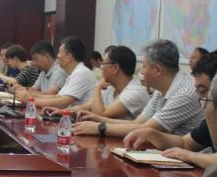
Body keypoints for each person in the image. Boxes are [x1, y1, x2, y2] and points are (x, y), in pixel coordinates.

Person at [72, 39, 203, 137]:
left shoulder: (183, 94)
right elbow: (138, 123)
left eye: (144, 66)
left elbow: (145, 129)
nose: (141, 72)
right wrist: (98, 120)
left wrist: (99, 127)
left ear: (157, 69)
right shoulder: (161, 90)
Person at [44, 45, 149, 120]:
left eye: (103, 63)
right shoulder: (111, 87)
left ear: (115, 68)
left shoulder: (135, 92)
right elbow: (88, 106)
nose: (101, 67)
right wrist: (63, 112)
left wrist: (98, 87)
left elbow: (101, 115)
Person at [26, 36, 97, 108]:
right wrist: (32, 95)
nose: (57, 56)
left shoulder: (80, 73)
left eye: (59, 52)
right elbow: (57, 97)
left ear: (68, 57)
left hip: (83, 115)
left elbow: (62, 102)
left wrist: (30, 100)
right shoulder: (73, 74)